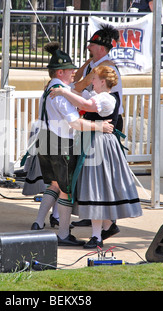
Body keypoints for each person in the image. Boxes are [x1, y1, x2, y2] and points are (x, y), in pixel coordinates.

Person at [32, 42, 114, 247]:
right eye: (70, 70)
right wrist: (99, 126)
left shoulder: (52, 88)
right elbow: (75, 122)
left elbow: (75, 92)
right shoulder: (59, 91)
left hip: (45, 139)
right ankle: (62, 234)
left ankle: (38, 222)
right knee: (66, 189)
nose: (74, 73)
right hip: (60, 142)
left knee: (55, 185)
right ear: (60, 72)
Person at [50, 66, 142, 248]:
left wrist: (61, 91)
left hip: (101, 145)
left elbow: (85, 106)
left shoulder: (106, 98)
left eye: (94, 78)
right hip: (93, 142)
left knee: (96, 187)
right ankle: (106, 226)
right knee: (95, 187)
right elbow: (79, 97)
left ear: (102, 81)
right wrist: (67, 91)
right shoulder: (96, 95)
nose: (91, 81)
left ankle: (97, 236)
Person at [72, 23, 123, 227]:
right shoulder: (96, 64)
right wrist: (88, 62)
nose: (88, 48)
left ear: (101, 48)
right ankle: (91, 214)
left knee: (102, 172)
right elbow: (78, 80)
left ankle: (109, 221)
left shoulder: (105, 67)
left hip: (106, 120)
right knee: (89, 169)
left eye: (92, 45)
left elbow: (77, 86)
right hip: (96, 119)